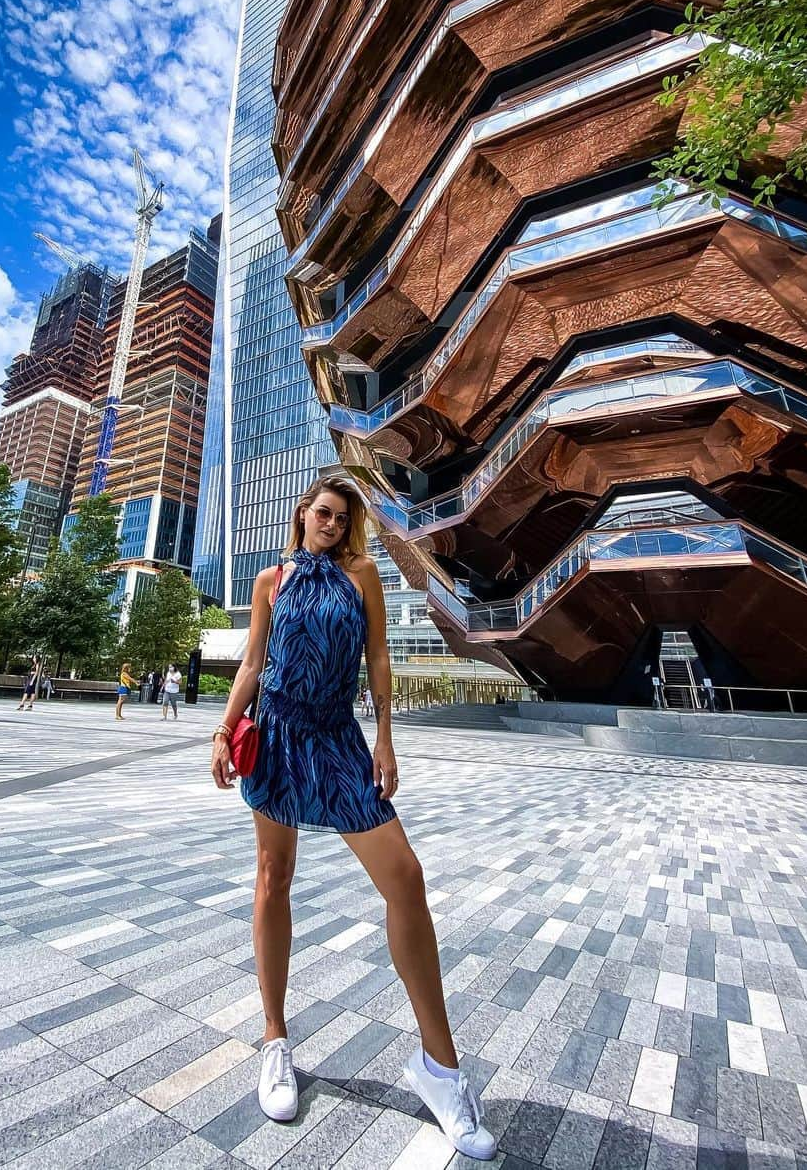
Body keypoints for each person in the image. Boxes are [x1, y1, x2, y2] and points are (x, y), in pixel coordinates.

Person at [210, 477, 496, 1159]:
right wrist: (224, 730)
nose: (332, 524)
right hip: (274, 733)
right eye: (323, 513)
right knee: (272, 876)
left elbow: (377, 658)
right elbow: (253, 661)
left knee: (406, 878)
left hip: (338, 739)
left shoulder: (361, 575)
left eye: (342, 519)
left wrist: (387, 736)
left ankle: (440, 1070)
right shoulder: (269, 579)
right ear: (303, 513)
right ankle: (275, 1040)